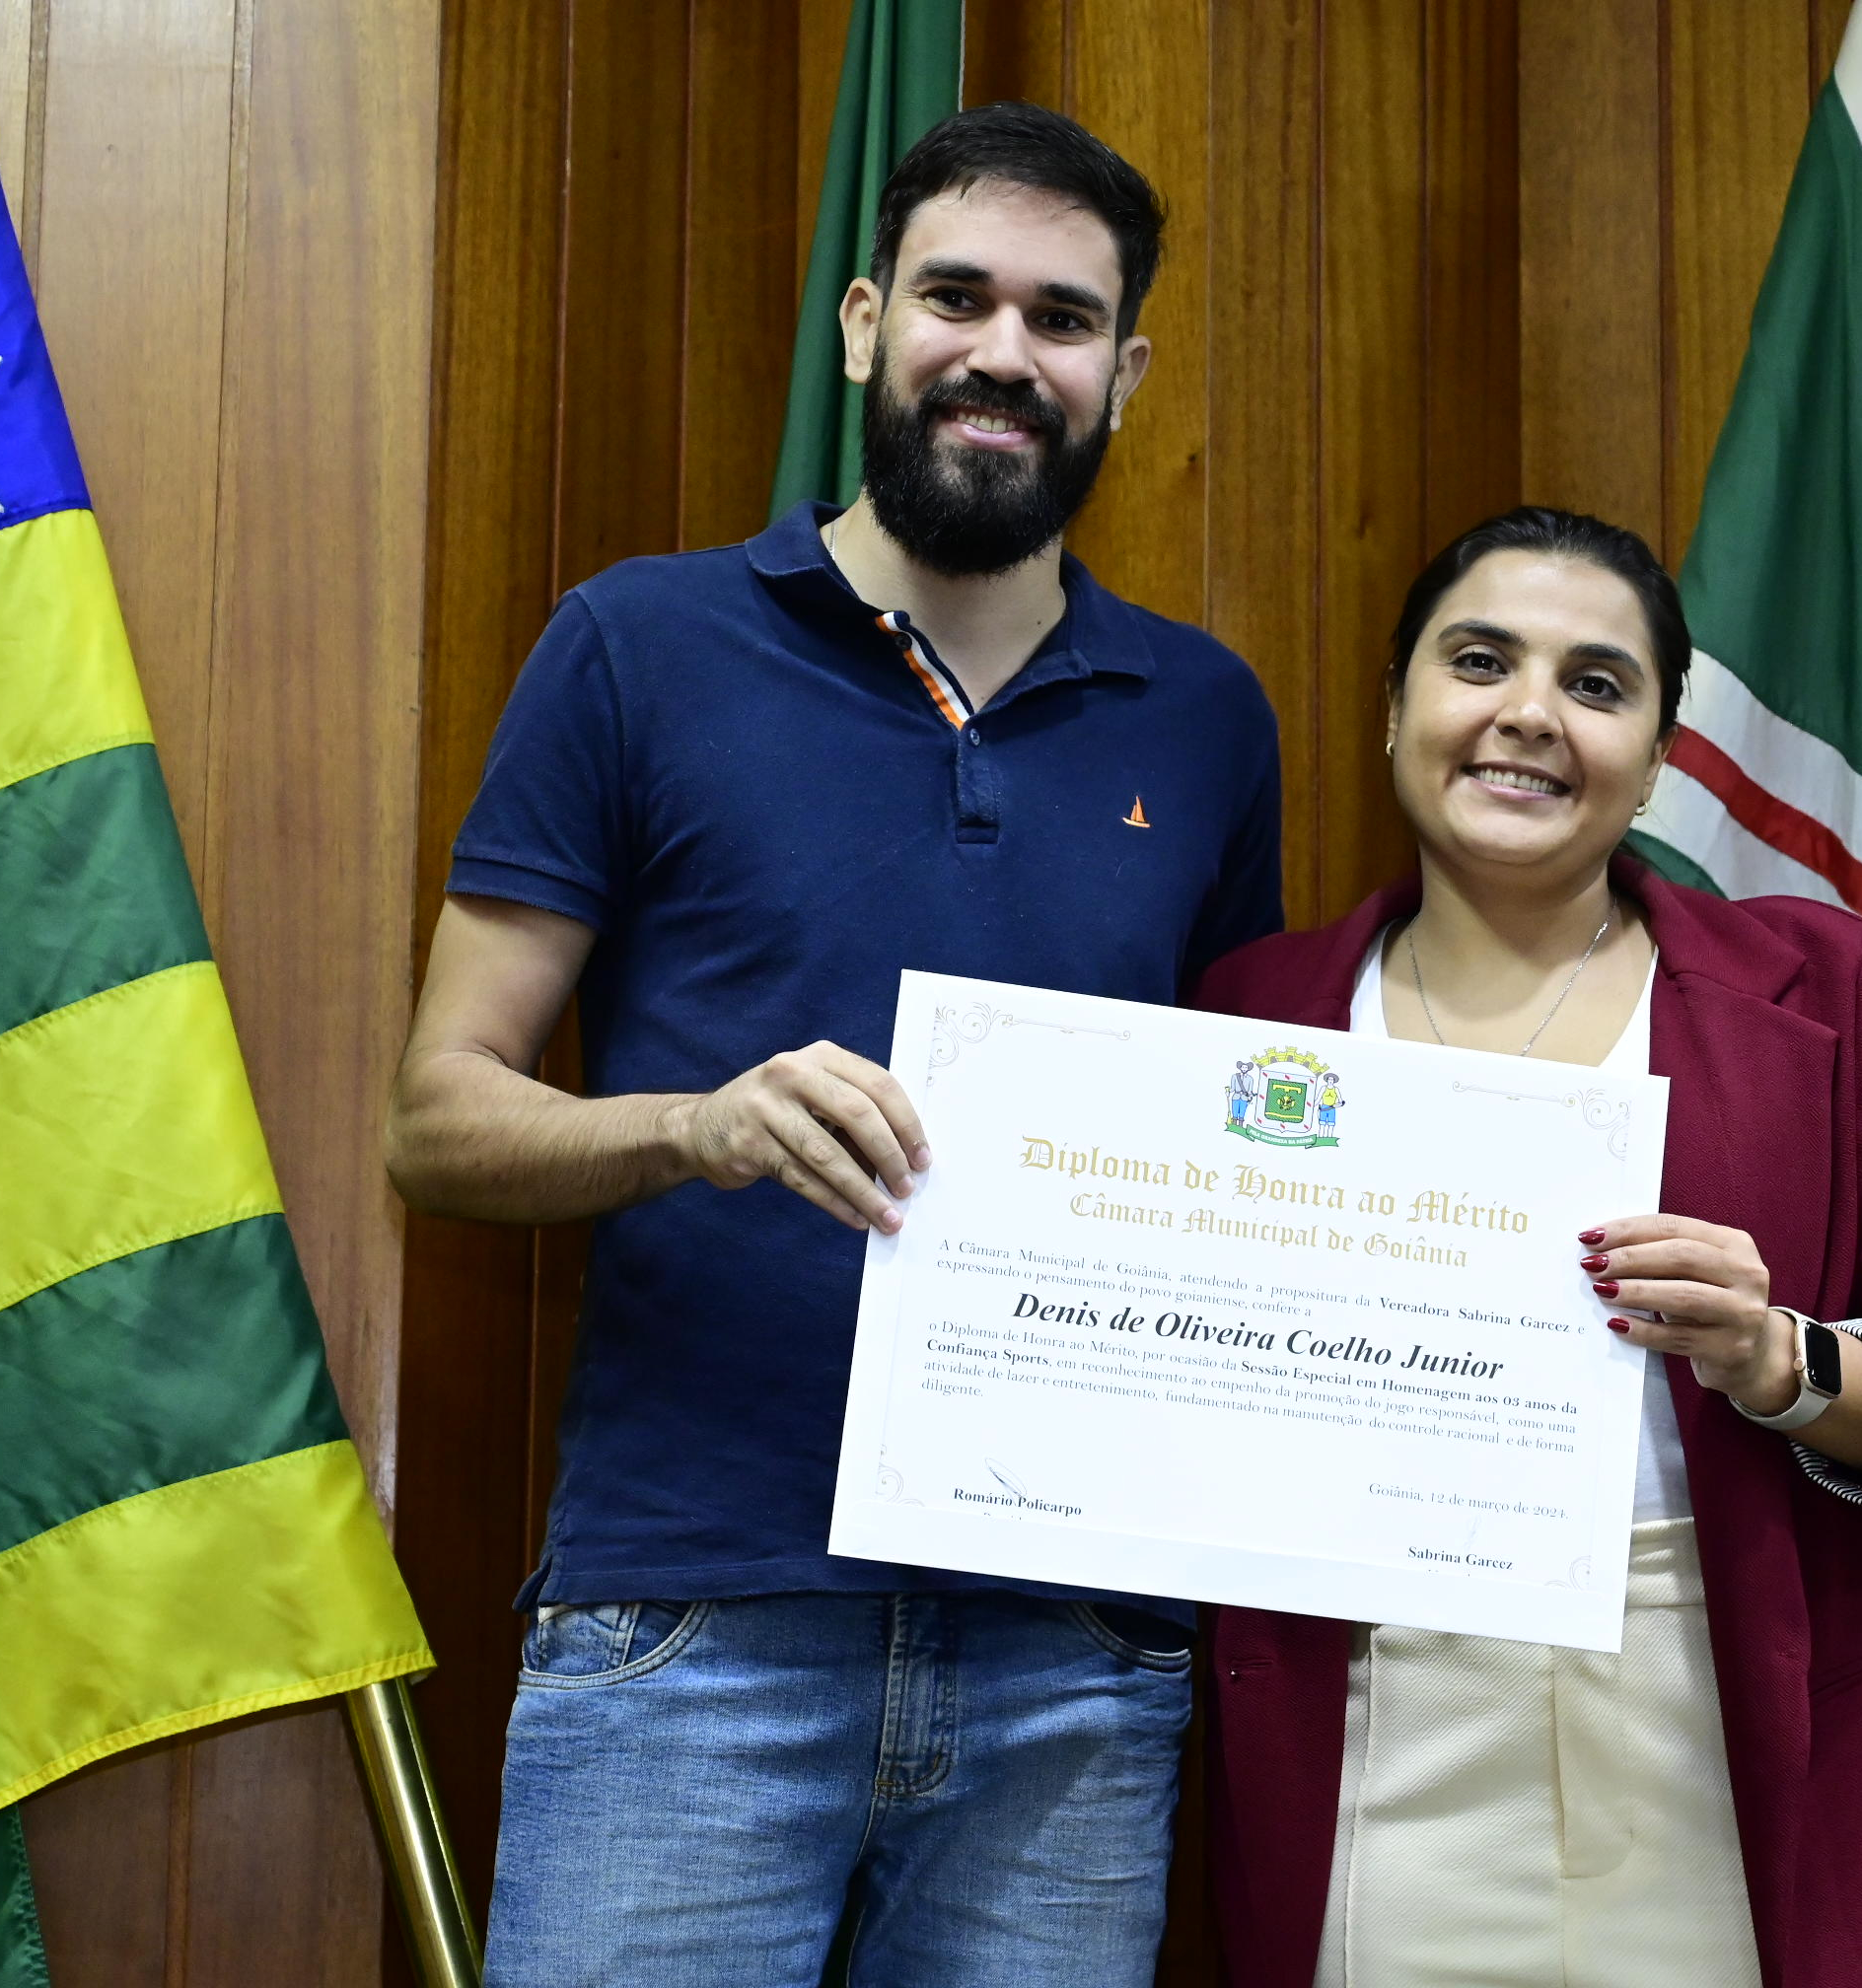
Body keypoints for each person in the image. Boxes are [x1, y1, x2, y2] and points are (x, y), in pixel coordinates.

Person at [386, 104, 1282, 1988]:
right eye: (958, 296)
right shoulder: (637, 645)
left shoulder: (1207, 718)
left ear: (1123, 375)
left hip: (1073, 1654)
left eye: (1062, 318)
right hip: (694, 1625)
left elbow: (1243, 1155)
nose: (1003, 352)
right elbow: (437, 1121)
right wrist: (696, 1127)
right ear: (868, 324)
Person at [1191, 508, 1862, 1988]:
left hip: (1725, 1717)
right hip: (1378, 1730)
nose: (1530, 713)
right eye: (1480, 662)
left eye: (1596, 685)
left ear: (1657, 759)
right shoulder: (1247, 1014)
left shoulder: (1821, 989)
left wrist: (1781, 1360)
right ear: (1398, 703)